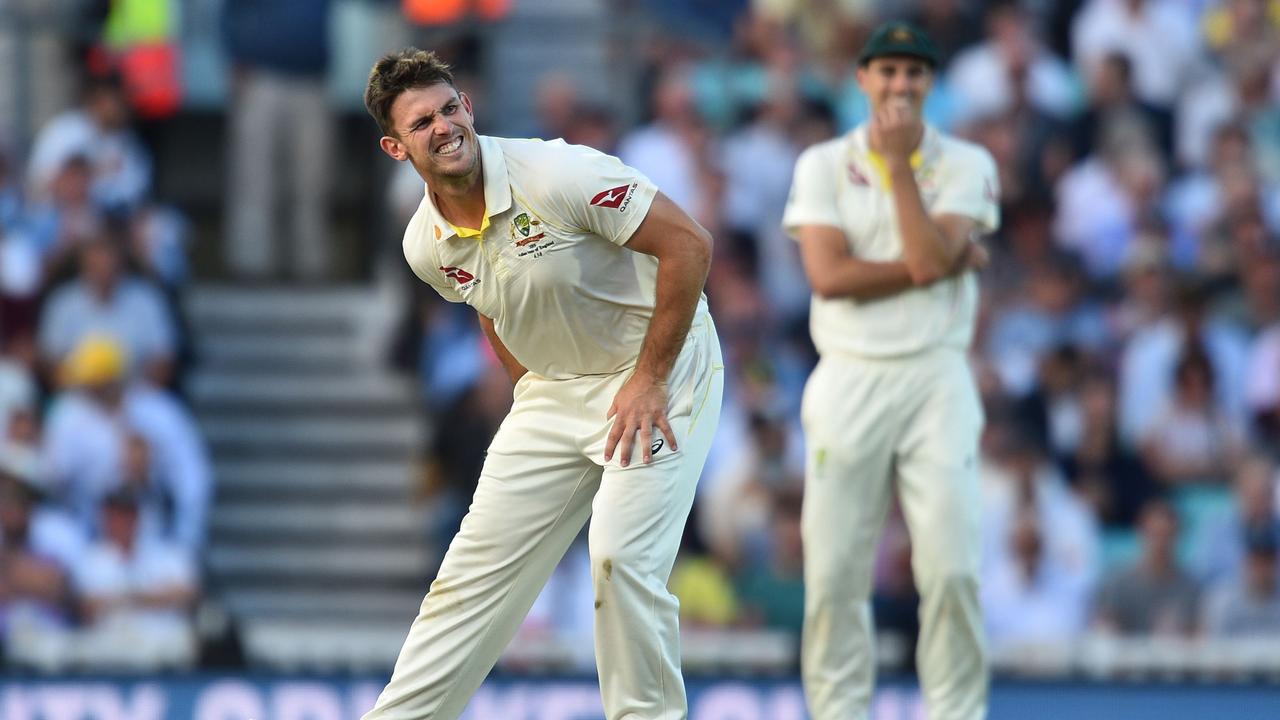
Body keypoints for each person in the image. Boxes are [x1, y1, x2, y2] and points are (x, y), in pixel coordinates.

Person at [360, 49, 722, 719]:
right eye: (421, 123)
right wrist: (532, 391)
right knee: (469, 578)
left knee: (619, 560)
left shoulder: (557, 172)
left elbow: (689, 244)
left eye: (448, 108)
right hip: (556, 392)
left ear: (467, 106)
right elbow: (493, 304)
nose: (443, 127)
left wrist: (648, 378)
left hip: (657, 369)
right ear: (395, 146)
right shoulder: (423, 246)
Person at [782, 22, 1000, 720]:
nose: (901, 86)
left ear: (930, 83)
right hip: (849, 372)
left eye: (914, 73)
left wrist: (902, 168)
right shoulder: (821, 163)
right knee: (835, 574)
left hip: (937, 374)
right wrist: (936, 259)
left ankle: (958, 712)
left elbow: (933, 263)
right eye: (889, 72)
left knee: (953, 569)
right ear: (863, 80)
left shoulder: (965, 163)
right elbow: (829, 274)